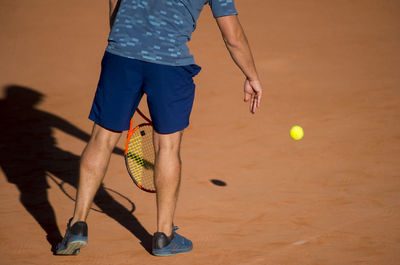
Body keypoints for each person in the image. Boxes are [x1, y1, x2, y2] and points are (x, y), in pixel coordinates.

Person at [56, 0, 262, 256]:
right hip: (169, 66)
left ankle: (77, 225)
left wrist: (121, 35)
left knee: (101, 139)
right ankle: (164, 236)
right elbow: (233, 37)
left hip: (121, 57)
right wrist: (251, 75)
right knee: (167, 145)